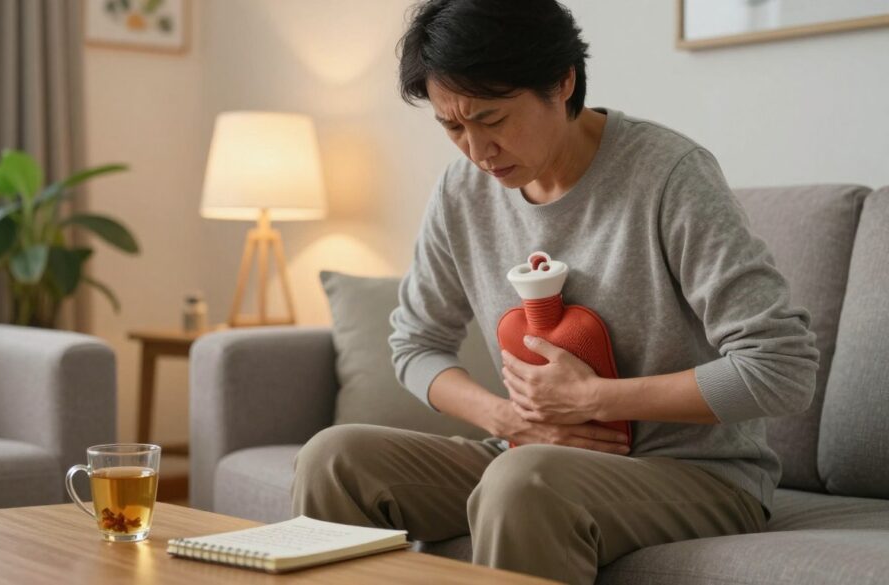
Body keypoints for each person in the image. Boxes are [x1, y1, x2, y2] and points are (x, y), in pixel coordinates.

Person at [291, 0, 820, 582]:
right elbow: (415, 345)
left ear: (563, 82)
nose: (475, 150)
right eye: (451, 126)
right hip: (529, 454)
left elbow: (782, 367)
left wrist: (597, 400)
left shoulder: (669, 175)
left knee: (526, 482)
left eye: (491, 120)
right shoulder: (463, 191)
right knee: (333, 459)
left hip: (695, 473)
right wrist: (507, 419)